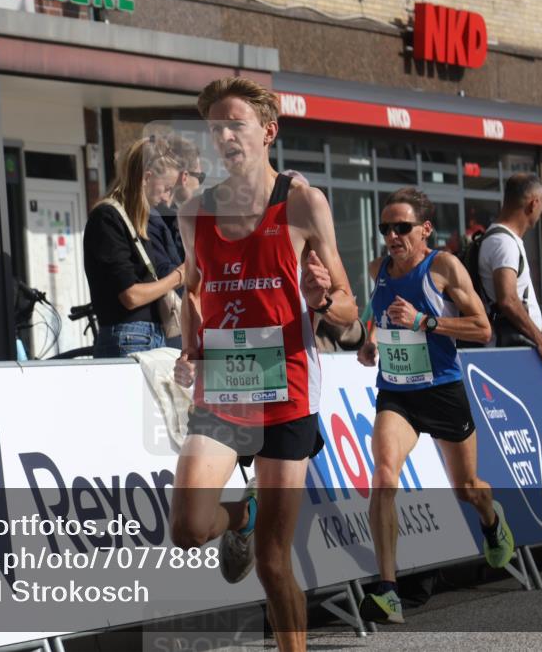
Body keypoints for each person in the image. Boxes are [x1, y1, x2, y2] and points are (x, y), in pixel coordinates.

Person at [171, 77, 357, 652]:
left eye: (236, 125)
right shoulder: (195, 212)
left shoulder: (301, 203)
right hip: (223, 390)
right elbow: (192, 290)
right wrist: (190, 344)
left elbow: (349, 310)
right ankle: (242, 517)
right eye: (216, 128)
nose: (224, 136)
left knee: (275, 564)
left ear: (268, 131)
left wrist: (321, 300)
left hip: (286, 392)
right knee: (188, 528)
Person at [357, 187, 514, 625]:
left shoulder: (443, 266)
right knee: (384, 475)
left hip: (442, 389)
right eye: (386, 228)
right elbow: (380, 315)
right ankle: (388, 590)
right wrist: (371, 342)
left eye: (401, 227)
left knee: (467, 488)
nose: (392, 236)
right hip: (397, 391)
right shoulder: (378, 270)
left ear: (425, 229)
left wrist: (425, 321)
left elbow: (482, 329)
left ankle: (490, 518)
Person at [83, 137, 186, 357]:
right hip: (129, 336)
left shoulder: (136, 219)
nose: (166, 198)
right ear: (147, 178)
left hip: (148, 335)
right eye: (167, 188)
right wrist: (179, 276)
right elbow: (131, 296)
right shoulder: (107, 218)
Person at [477, 173, 542, 375]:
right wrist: (541, 342)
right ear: (534, 204)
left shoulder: (505, 240)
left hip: (516, 349)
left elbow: (522, 307)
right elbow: (508, 301)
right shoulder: (504, 243)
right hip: (511, 354)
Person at [147, 134, 202, 277]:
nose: (199, 185)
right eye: (200, 177)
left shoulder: (173, 218)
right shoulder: (154, 219)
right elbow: (164, 273)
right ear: (184, 177)